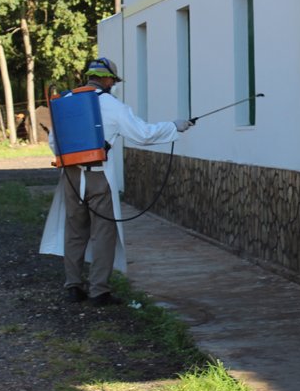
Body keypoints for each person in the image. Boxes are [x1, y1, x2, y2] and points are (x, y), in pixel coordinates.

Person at [40, 57, 193, 306]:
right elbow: (143, 134)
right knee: (103, 233)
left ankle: (73, 287)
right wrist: (174, 127)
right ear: (108, 79)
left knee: (75, 232)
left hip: (70, 175)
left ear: (89, 75)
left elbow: (53, 143)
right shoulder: (112, 105)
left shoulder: (65, 101)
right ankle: (99, 291)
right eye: (113, 80)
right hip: (98, 177)